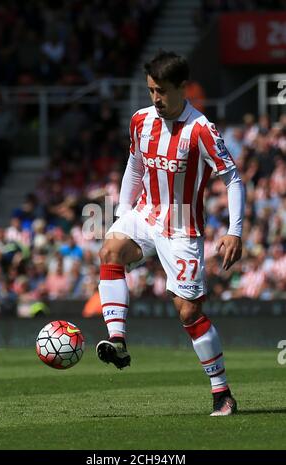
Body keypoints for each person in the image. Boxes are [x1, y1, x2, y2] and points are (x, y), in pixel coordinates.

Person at [96, 51, 244, 416]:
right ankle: (118, 340)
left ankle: (221, 393)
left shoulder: (202, 130)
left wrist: (235, 231)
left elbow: (232, 177)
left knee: (188, 313)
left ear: (182, 88)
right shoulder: (140, 121)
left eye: (162, 91)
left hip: (182, 225)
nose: (156, 98)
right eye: (151, 91)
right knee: (110, 250)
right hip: (146, 213)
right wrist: (123, 214)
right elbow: (134, 165)